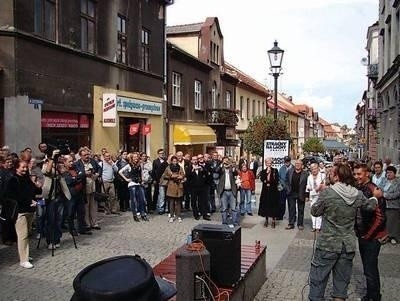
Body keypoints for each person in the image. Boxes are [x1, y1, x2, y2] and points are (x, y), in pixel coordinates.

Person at [308, 163, 380, 301]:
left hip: (327, 245)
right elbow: (370, 206)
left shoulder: (328, 193)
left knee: (318, 281)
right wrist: (375, 197)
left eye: (332, 173)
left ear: (336, 176)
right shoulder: (357, 194)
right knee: (341, 285)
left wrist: (322, 192)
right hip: (347, 245)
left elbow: (314, 211)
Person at [354, 163, 387, 301]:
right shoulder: (361, 188)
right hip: (363, 234)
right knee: (368, 269)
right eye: (355, 174)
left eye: (359, 174)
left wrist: (368, 235)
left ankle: (374, 297)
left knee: (370, 269)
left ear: (367, 173)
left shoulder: (373, 190)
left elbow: (380, 217)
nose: (356, 177)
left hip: (371, 237)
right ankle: (370, 295)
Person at [5, 159, 40, 268]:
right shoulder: (13, 180)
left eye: (26, 167)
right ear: (17, 168)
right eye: (22, 167)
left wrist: (36, 189)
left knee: (27, 233)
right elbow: (13, 196)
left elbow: (33, 191)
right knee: (22, 236)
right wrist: (29, 201)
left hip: (29, 210)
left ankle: (25, 254)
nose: (25, 169)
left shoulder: (27, 178)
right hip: (20, 211)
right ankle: (23, 260)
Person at [73, 148, 101, 230]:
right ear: (80, 156)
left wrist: (97, 174)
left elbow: (99, 168)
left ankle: (94, 223)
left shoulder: (92, 161)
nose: (87, 156)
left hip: (93, 186)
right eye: (84, 155)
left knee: (93, 206)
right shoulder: (77, 163)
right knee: (85, 206)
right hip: (84, 188)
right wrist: (85, 173)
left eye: (88, 154)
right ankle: (87, 224)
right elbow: (77, 174)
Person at [119, 153, 148, 222]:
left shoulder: (139, 165)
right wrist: (126, 179)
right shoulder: (129, 165)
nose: (136, 158)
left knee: (142, 199)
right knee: (134, 200)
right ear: (132, 158)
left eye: (137, 157)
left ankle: (142, 214)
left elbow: (141, 173)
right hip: (132, 184)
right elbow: (120, 171)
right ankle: (135, 215)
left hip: (139, 183)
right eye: (134, 157)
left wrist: (142, 179)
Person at [285, 160, 308, 230]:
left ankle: (300, 224)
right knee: (291, 209)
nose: (297, 165)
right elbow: (286, 181)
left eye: (299, 164)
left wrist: (307, 195)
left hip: (301, 193)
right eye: (296, 164)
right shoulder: (290, 171)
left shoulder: (306, 174)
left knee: (301, 209)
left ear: (302, 165)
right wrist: (287, 189)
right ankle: (291, 223)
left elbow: (308, 185)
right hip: (291, 193)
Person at [187, 155, 210, 221]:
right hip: (193, 187)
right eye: (193, 160)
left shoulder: (201, 166)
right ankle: (196, 214)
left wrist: (202, 170)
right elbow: (187, 177)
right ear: (191, 161)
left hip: (202, 187)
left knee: (202, 201)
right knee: (194, 201)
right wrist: (192, 170)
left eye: (196, 159)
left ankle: (204, 214)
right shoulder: (189, 168)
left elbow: (207, 174)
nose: (195, 161)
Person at [258, 158, 280, 227]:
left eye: (270, 163)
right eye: (267, 163)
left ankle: (273, 220)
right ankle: (266, 219)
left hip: (273, 190)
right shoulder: (264, 171)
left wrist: (269, 180)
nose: (269, 165)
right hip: (265, 191)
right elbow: (262, 179)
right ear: (265, 164)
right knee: (265, 205)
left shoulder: (275, 171)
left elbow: (276, 180)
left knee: (273, 205)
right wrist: (267, 173)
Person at [162, 156, 185, 223]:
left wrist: (179, 176)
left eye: (176, 161)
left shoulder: (180, 167)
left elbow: (183, 175)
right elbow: (169, 175)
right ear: (171, 161)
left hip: (178, 186)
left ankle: (179, 216)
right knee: (171, 202)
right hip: (171, 186)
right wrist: (177, 176)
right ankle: (172, 216)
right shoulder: (168, 167)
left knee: (178, 202)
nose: (175, 162)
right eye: (174, 161)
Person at [217, 157, 239, 225]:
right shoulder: (221, 169)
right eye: (225, 162)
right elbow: (216, 170)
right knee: (224, 208)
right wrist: (221, 165)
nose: (226, 163)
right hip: (223, 191)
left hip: (232, 191)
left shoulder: (231, 169)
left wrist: (232, 166)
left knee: (233, 208)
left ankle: (235, 222)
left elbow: (236, 172)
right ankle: (224, 222)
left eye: (227, 162)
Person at [382, 166, 400, 245]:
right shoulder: (384, 180)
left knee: (393, 222)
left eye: (390, 172)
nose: (388, 174)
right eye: (387, 172)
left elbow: (397, 193)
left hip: (393, 204)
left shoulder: (398, 182)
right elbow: (379, 189)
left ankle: (393, 237)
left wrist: (386, 195)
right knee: (385, 221)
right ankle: (386, 236)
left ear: (394, 174)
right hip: (383, 204)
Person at [306, 163, 326, 232]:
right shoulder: (309, 177)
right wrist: (308, 188)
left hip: (320, 195)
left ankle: (318, 227)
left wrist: (321, 187)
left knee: (319, 211)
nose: (314, 170)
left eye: (315, 168)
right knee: (313, 210)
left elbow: (325, 185)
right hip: (312, 195)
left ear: (318, 168)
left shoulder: (322, 176)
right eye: (312, 169)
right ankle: (314, 226)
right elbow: (308, 186)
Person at [152, 149, 169, 214]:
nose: (162, 154)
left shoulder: (166, 161)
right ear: (158, 154)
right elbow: (154, 171)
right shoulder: (155, 161)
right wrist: (154, 179)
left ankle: (166, 208)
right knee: (160, 195)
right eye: (160, 153)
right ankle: (160, 208)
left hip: (166, 180)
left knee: (166, 195)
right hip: (158, 180)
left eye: (163, 153)